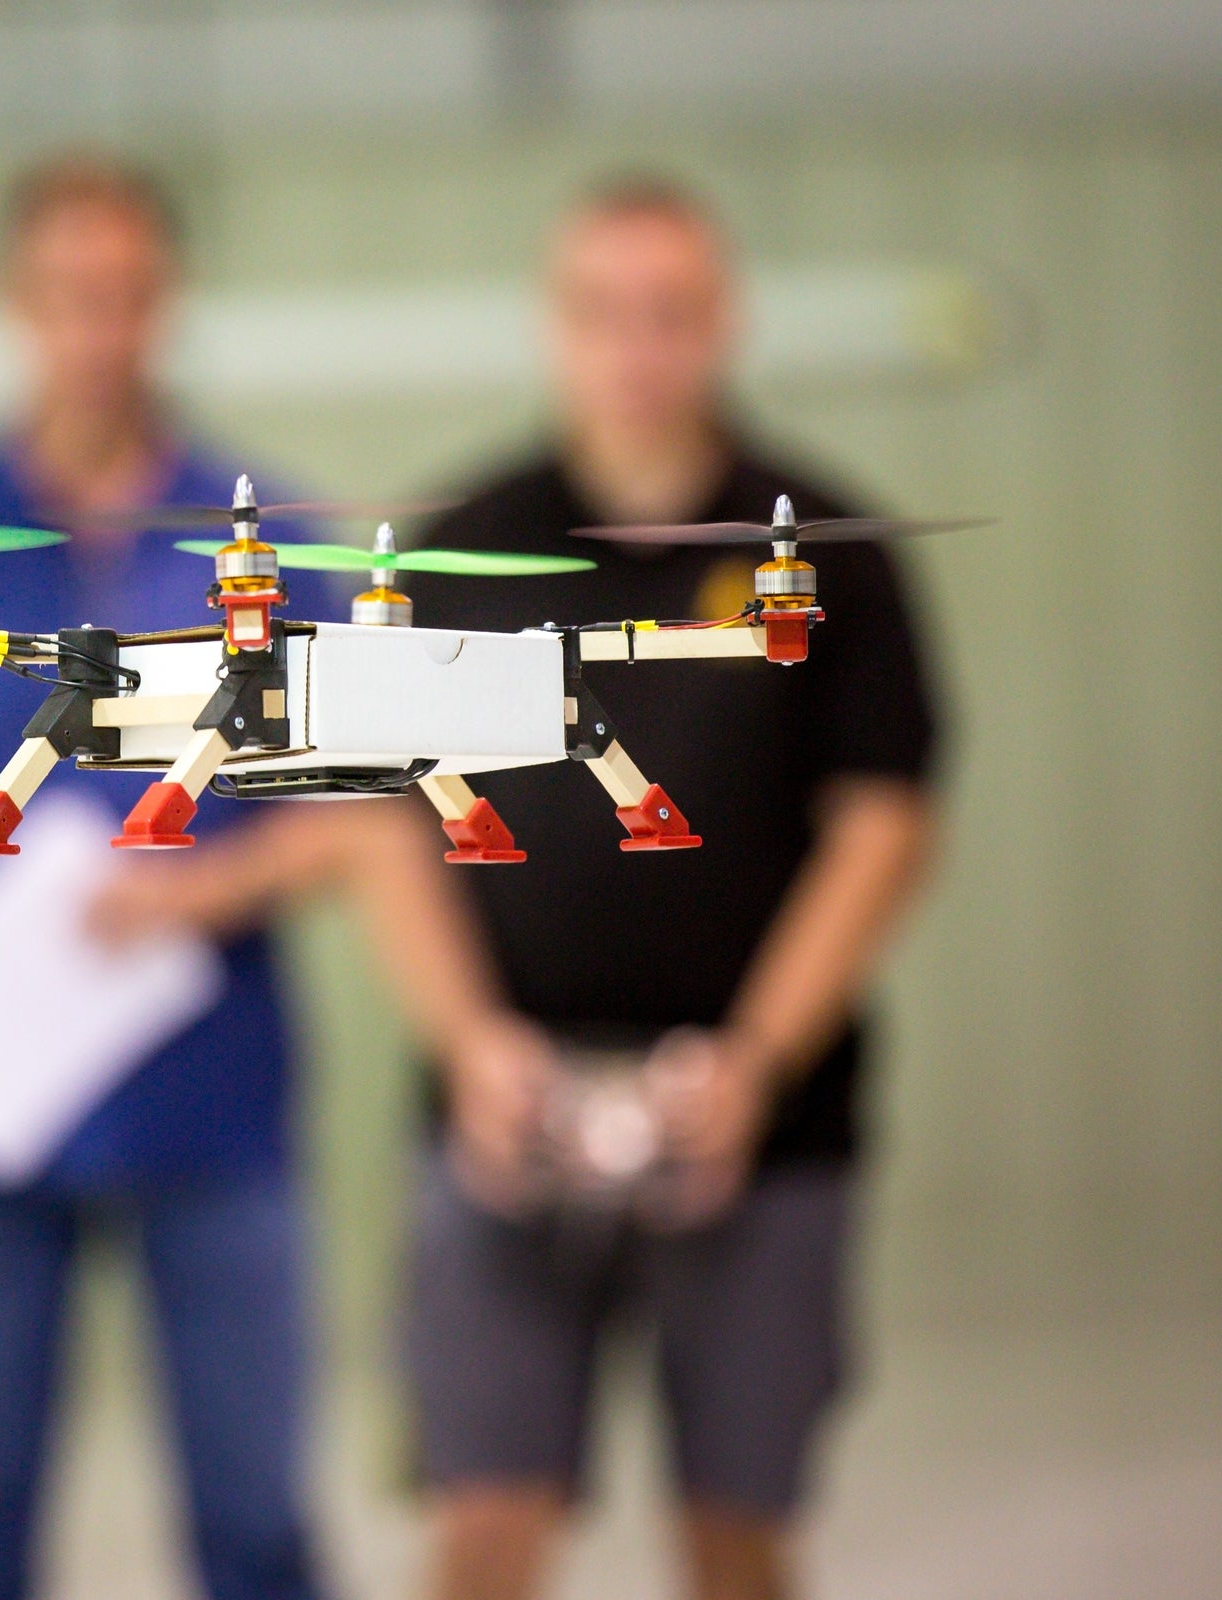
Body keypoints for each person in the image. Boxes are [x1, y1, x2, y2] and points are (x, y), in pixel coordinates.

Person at [0, 155, 343, 1600]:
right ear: (12, 307)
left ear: (168, 305)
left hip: (210, 1098)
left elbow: (373, 806)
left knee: (258, 1525)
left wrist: (207, 892)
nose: (100, 331)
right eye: (69, 298)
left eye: (128, 297)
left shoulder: (272, 545)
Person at [381, 178, 942, 1600]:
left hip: (763, 1119)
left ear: (724, 321)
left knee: (734, 1528)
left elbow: (883, 828)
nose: (637, 348)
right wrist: (470, 1047)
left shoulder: (821, 556)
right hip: (511, 1110)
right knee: (486, 1515)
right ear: (553, 327)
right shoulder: (462, 550)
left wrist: (753, 1062)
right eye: (603, 313)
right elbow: (383, 829)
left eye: (670, 313)